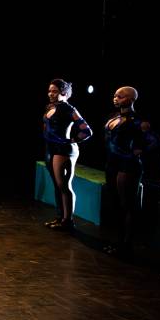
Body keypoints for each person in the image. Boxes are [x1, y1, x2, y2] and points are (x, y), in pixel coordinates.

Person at [102, 86, 154, 255]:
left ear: (131, 99)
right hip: (113, 163)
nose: (115, 98)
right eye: (115, 95)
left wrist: (137, 151)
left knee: (127, 205)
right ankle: (118, 240)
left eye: (121, 96)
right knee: (115, 203)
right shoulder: (113, 116)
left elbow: (153, 142)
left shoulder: (139, 120)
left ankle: (127, 244)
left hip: (128, 165)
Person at [42, 78, 93, 231]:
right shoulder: (50, 107)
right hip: (51, 149)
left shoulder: (68, 109)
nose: (51, 94)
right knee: (58, 186)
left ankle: (68, 221)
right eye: (50, 91)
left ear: (63, 92)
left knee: (64, 186)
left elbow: (87, 131)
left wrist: (71, 140)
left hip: (63, 150)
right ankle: (60, 217)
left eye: (55, 91)